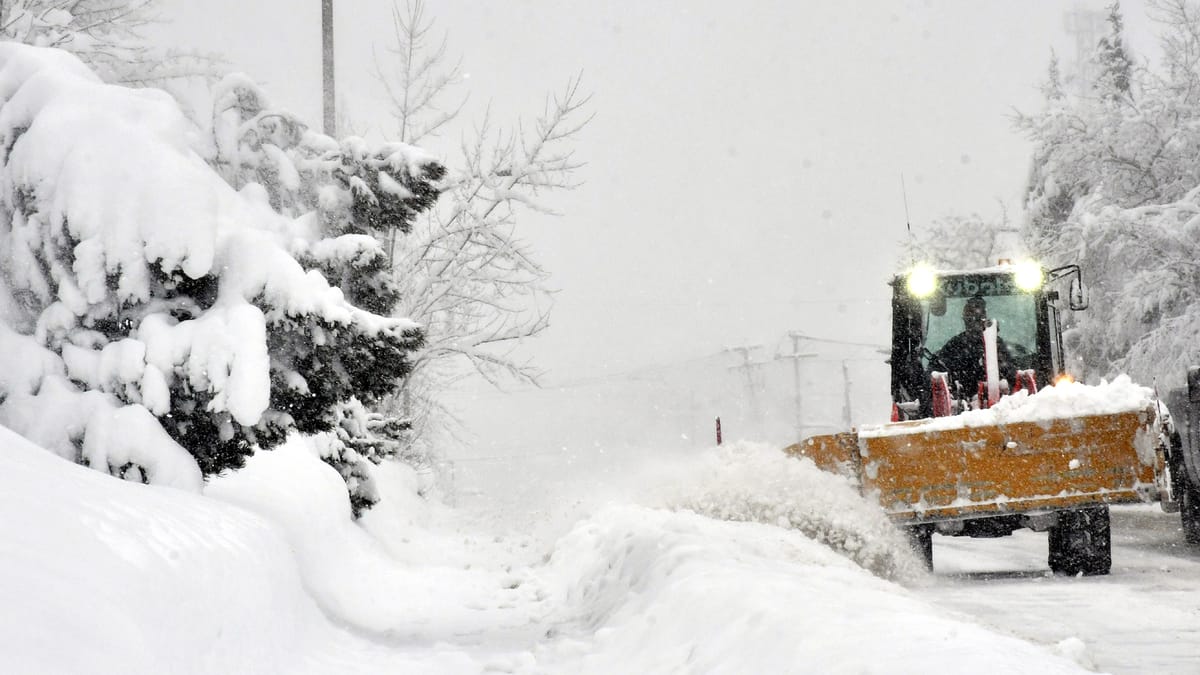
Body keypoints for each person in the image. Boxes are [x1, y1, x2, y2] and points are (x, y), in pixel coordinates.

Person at [933, 296, 1014, 398]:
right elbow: (936, 379)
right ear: (965, 319)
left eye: (978, 317)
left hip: (1002, 406)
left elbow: (1012, 377)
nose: (974, 321)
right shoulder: (952, 347)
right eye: (970, 317)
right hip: (961, 408)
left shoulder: (997, 345)